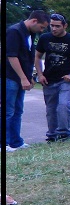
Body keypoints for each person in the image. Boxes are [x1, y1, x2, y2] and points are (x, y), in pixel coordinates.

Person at [34, 13, 70, 142]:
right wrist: (40, 74)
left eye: (57, 26)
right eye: (52, 26)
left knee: (63, 106)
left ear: (65, 26)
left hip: (65, 80)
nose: (54, 29)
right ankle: (52, 135)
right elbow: (37, 56)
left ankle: (64, 134)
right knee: (51, 109)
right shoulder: (45, 38)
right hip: (48, 79)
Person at [5, 10, 50, 152]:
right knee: (8, 111)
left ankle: (16, 142)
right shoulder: (14, 31)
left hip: (21, 78)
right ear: (34, 21)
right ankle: (3, 144)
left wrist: (30, 76)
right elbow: (12, 56)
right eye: (42, 27)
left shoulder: (30, 33)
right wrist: (23, 78)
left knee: (18, 111)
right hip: (10, 78)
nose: (42, 30)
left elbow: (28, 57)